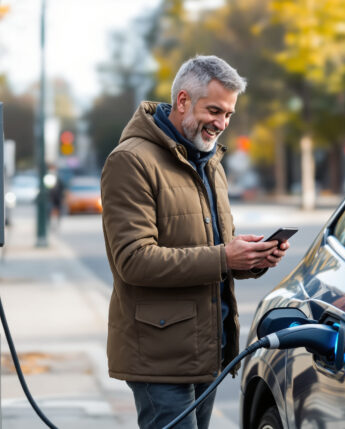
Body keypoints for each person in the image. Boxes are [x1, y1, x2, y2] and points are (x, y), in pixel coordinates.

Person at [100, 55, 290, 429]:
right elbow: (133, 260)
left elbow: (215, 248)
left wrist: (252, 258)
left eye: (229, 115)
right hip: (159, 356)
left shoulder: (210, 161)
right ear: (183, 101)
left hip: (207, 351)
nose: (222, 124)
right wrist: (225, 257)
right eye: (215, 111)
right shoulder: (131, 161)